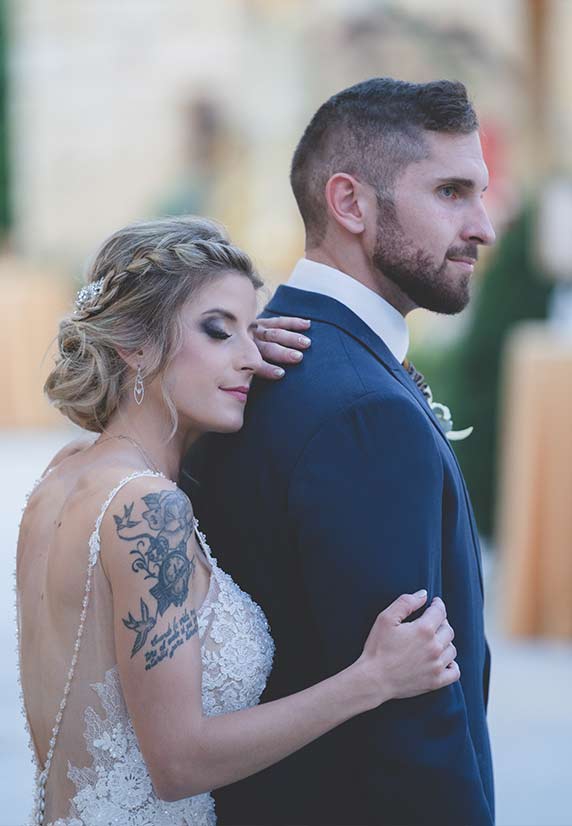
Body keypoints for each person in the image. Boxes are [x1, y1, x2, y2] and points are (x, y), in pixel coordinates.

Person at [16, 215, 460, 826]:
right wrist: (371, 679)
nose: (251, 357)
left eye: (252, 332)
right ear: (134, 345)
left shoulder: (63, 475)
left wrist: (235, 341)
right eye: (218, 331)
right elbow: (178, 763)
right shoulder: (150, 511)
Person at [184, 78, 496, 825]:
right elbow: (410, 721)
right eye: (450, 192)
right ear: (350, 203)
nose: (483, 227)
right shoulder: (361, 409)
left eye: (479, 194)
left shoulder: (257, 363)